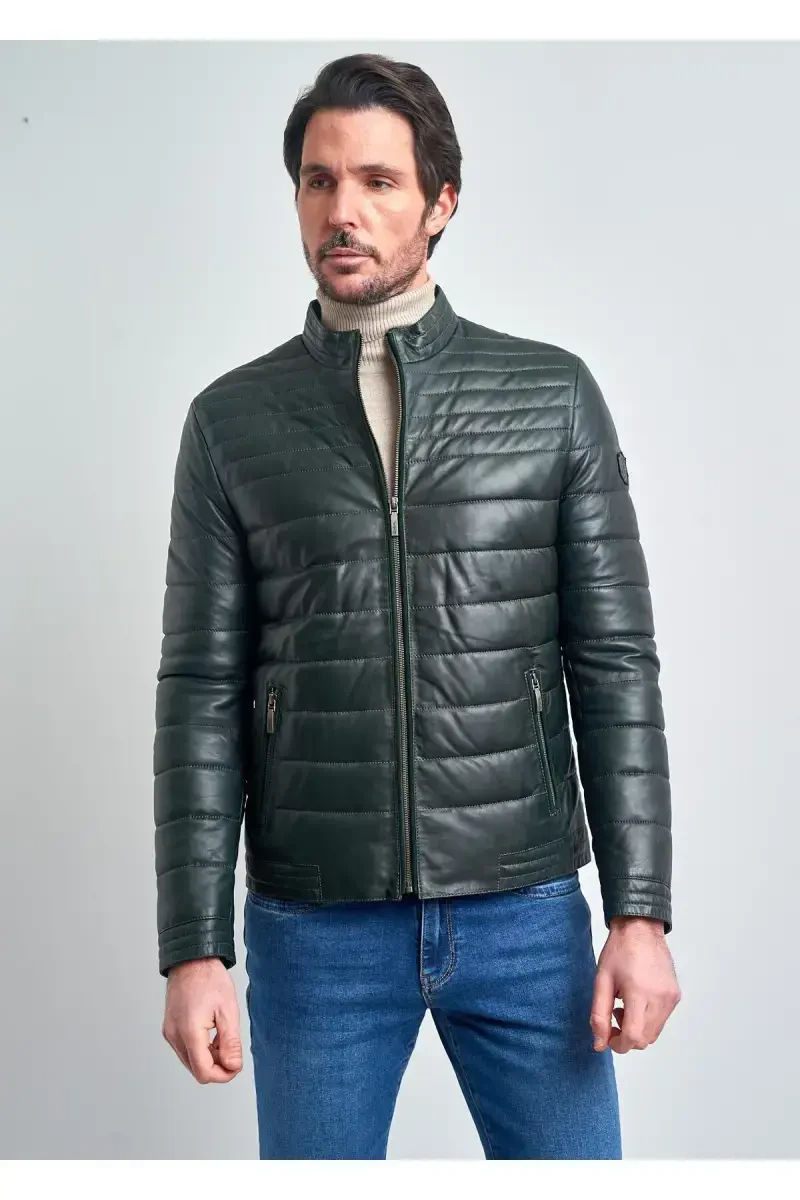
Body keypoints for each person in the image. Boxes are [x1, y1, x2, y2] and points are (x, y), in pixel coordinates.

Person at [154, 52, 681, 1160]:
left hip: (523, 912)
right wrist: (193, 948)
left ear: (441, 201)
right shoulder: (231, 422)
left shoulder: (549, 396)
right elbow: (200, 690)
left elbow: (613, 663)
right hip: (315, 927)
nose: (340, 210)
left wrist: (639, 914)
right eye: (318, 180)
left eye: (377, 181)